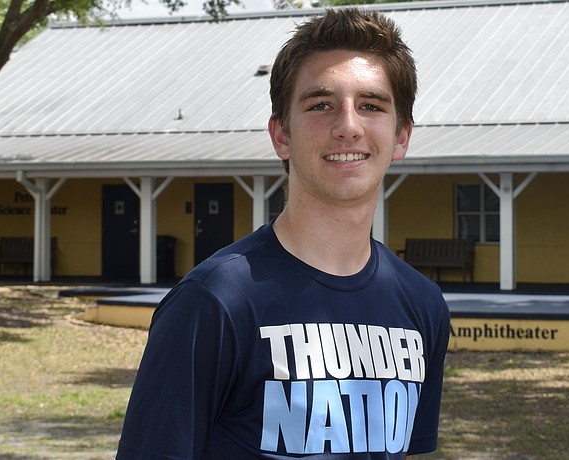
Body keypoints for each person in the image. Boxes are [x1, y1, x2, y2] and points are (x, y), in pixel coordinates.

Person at [116, 7, 450, 459]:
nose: (348, 126)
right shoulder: (216, 300)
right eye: (320, 105)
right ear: (281, 136)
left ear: (402, 136)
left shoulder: (422, 304)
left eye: (371, 106)